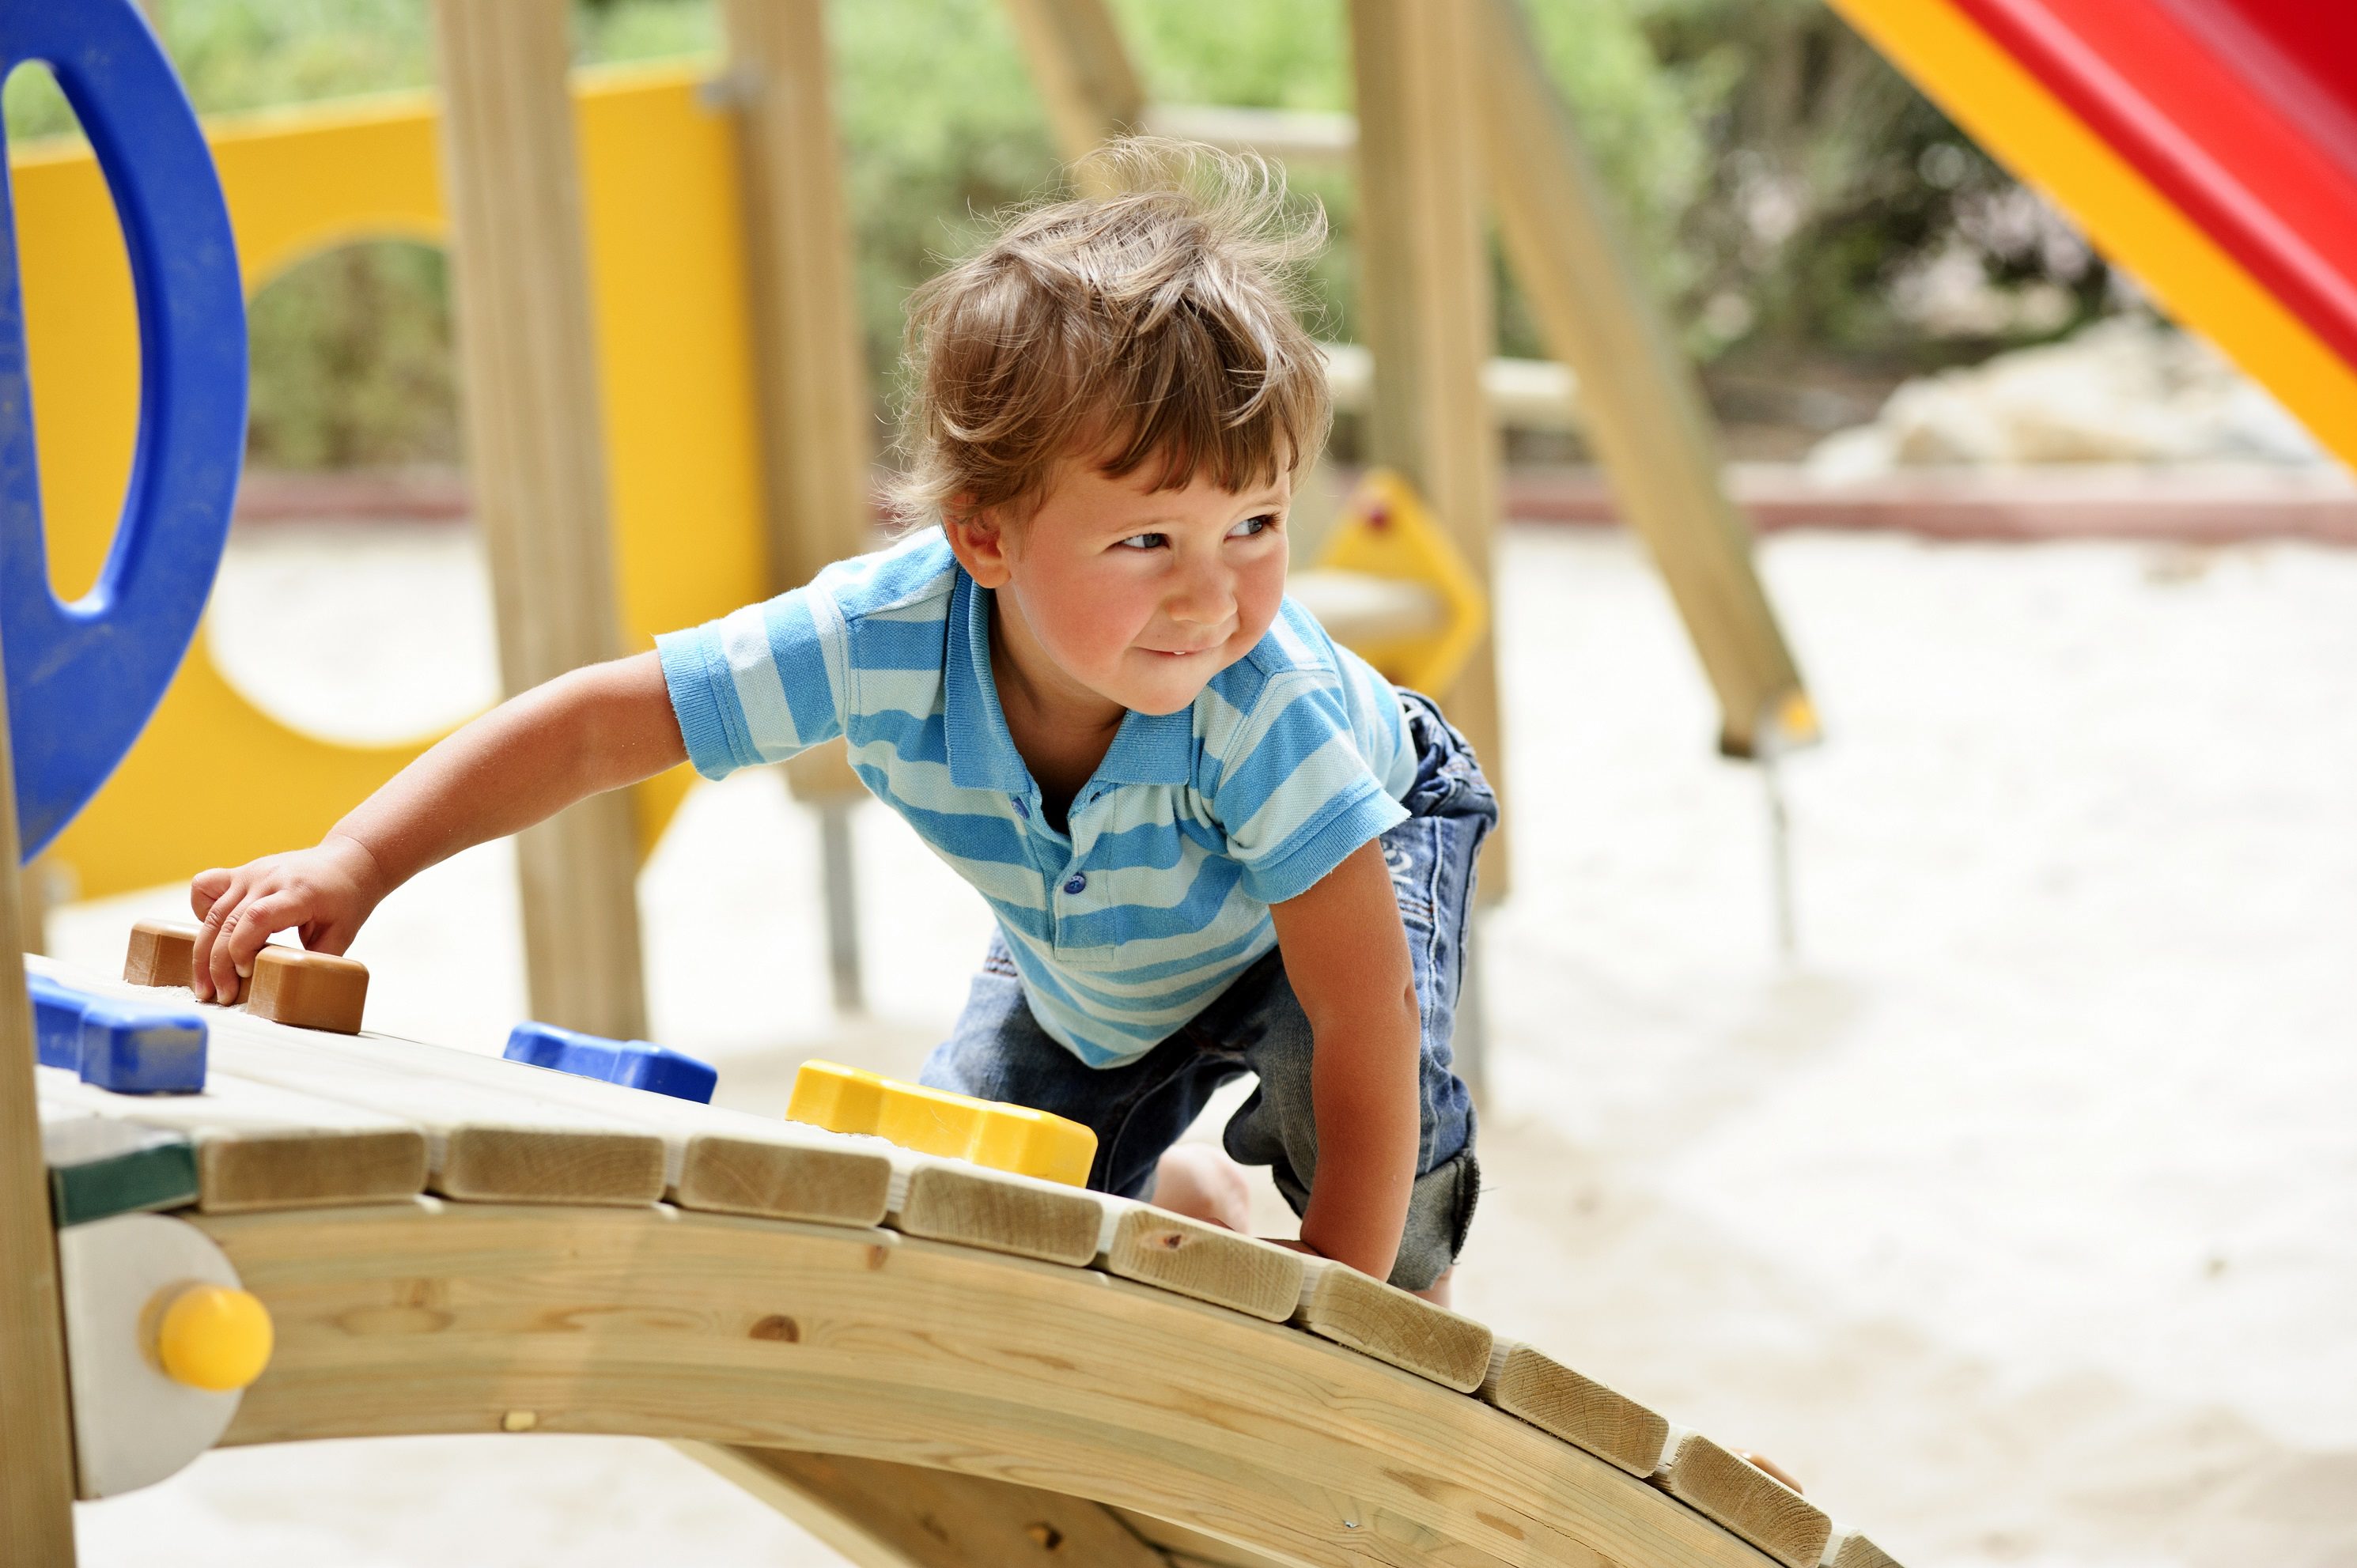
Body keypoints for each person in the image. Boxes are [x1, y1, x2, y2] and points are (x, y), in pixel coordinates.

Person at [183, 140, 1496, 1305]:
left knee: (1360, 1137)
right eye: (1149, 537)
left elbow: (1360, 998)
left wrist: (1342, 1290)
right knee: (987, 1179)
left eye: (1256, 525)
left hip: (1344, 895)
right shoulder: (880, 640)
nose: (1214, 592)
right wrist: (358, 859)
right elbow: (597, 729)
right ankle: (1183, 1198)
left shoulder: (1261, 701)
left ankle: (1410, 1294)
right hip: (1108, 937)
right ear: (986, 538)